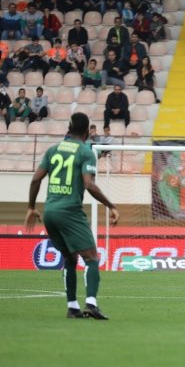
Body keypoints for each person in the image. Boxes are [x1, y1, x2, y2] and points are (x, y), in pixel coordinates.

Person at [25, 112, 119, 319]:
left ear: (69, 128)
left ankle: (72, 307)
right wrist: (111, 206)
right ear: (87, 132)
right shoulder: (85, 152)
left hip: (49, 211)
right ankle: (91, 304)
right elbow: (89, 185)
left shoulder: (53, 150)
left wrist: (31, 207)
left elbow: (35, 180)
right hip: (70, 211)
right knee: (91, 257)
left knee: (70, 258)